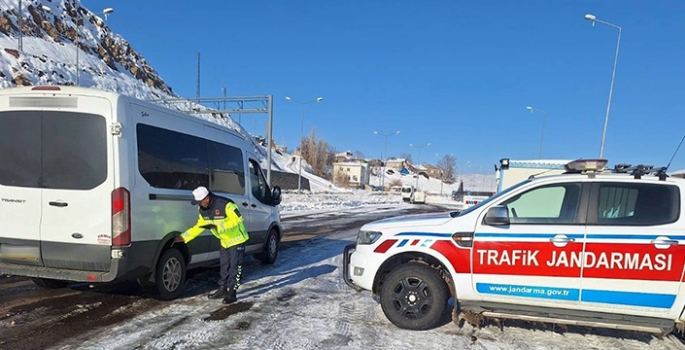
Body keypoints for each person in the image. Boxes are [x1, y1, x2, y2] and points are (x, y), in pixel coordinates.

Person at [174, 186, 249, 304]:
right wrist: (185, 237)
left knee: (234, 267)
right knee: (224, 266)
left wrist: (218, 227)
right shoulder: (203, 210)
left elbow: (238, 220)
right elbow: (199, 226)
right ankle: (223, 289)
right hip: (224, 241)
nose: (199, 204)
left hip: (237, 239)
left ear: (206, 199)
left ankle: (232, 293)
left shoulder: (226, 205)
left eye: (200, 202)